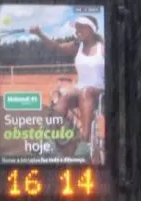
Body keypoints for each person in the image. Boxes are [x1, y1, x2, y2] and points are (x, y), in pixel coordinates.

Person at [28, 15, 105, 157]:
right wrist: (39, 34)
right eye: (76, 29)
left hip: (99, 91)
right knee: (64, 98)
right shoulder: (77, 46)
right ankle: (48, 140)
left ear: (91, 29)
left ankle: (85, 142)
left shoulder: (102, 49)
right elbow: (55, 46)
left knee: (85, 92)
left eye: (80, 28)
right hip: (81, 90)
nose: (77, 31)